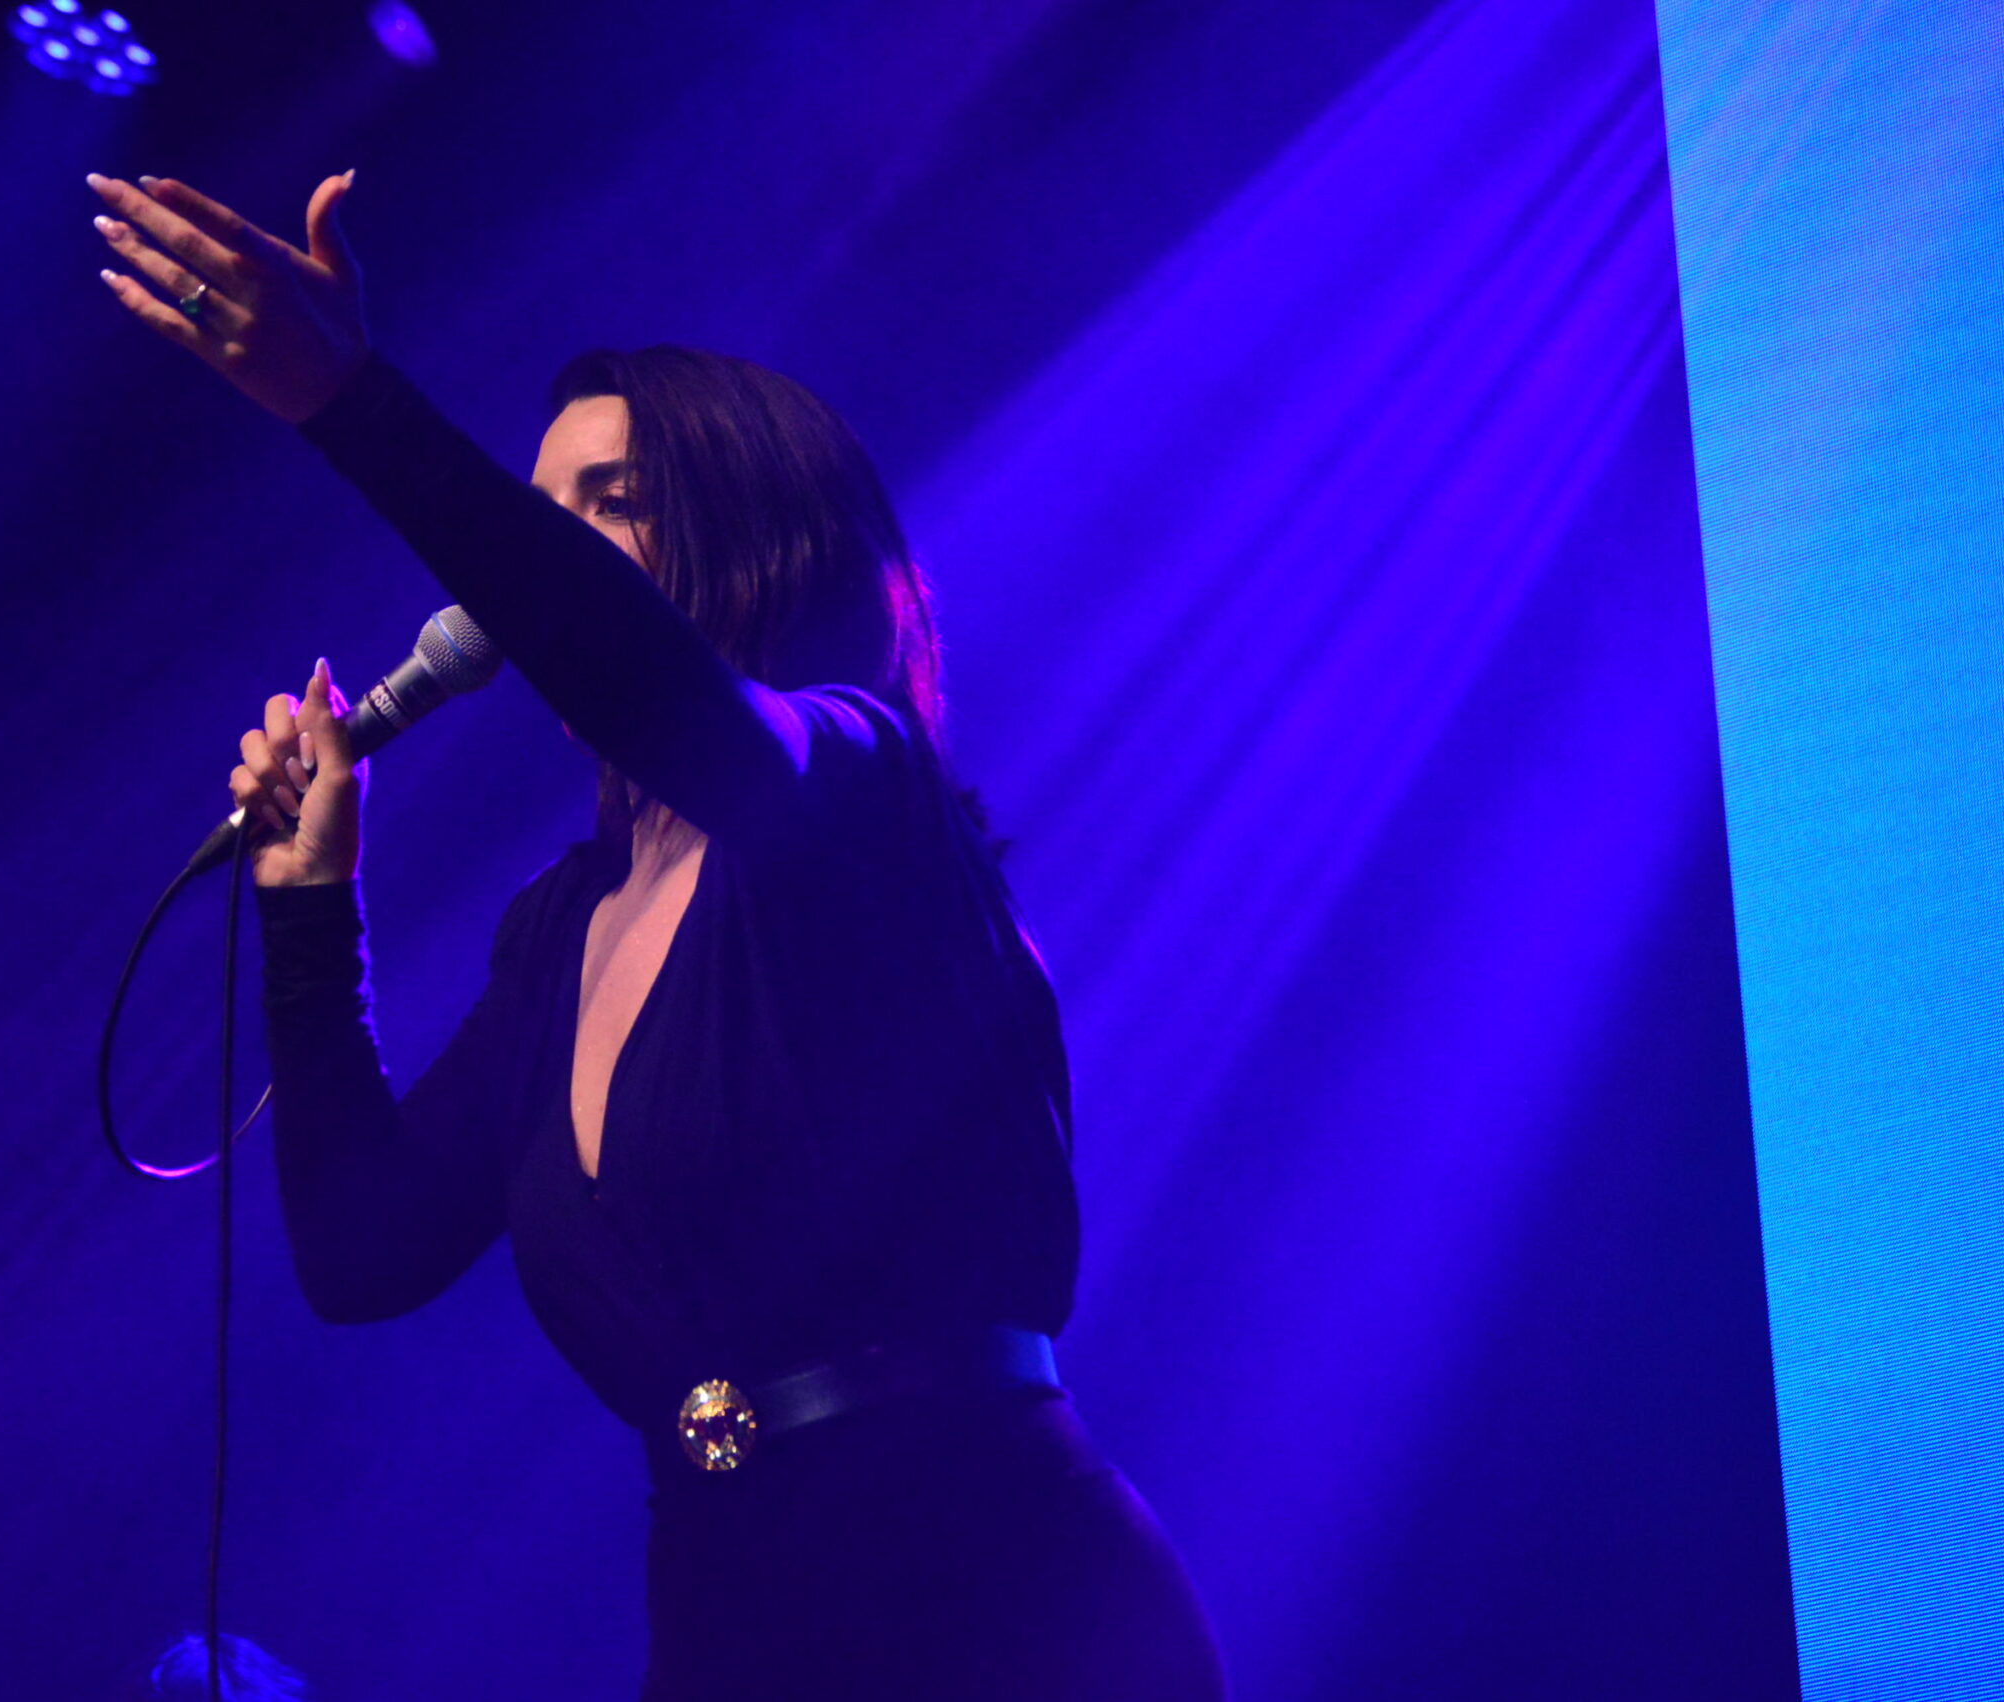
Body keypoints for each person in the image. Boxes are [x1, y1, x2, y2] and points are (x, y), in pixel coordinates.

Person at [88, 167, 1228, 1702]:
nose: (533, 557)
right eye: (542, 508)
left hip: (989, 1587)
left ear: (754, 535)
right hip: (727, 1605)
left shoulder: (858, 782)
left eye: (609, 502)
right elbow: (365, 1250)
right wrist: (309, 910)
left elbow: (658, 687)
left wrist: (351, 399)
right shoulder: (560, 931)